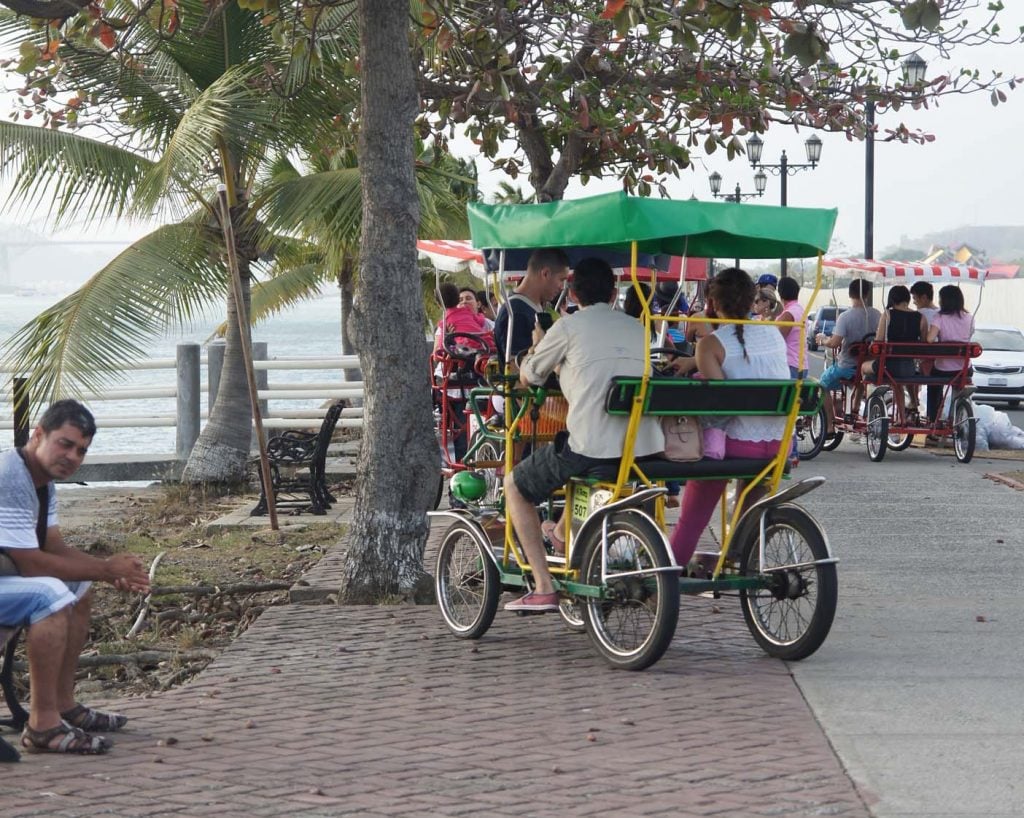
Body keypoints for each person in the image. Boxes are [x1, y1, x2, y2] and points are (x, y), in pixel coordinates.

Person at [502, 257, 664, 612]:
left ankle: (543, 585)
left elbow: (529, 376)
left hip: (594, 446)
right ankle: (562, 535)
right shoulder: (638, 328)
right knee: (581, 470)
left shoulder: (568, 327)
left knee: (514, 485)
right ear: (613, 292)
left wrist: (539, 344)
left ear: (572, 293)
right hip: (644, 446)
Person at [0, 400, 150, 755]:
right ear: (38, 435)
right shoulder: (9, 474)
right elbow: (33, 564)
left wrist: (107, 569)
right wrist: (105, 569)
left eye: (81, 450)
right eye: (64, 444)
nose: (72, 456)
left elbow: (53, 547)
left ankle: (64, 706)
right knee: (50, 594)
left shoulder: (43, 483)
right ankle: (42, 725)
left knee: (78, 588)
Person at [668, 268, 789, 568]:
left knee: (694, 511)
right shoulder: (773, 333)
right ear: (752, 300)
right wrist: (696, 362)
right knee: (751, 491)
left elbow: (719, 404)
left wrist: (695, 366)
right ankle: (736, 553)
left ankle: (669, 568)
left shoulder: (709, 344)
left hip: (734, 448)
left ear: (712, 302)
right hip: (777, 445)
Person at [816, 280, 881, 434]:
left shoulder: (845, 317)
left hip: (846, 367)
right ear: (867, 294)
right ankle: (854, 410)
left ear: (850, 294)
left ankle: (830, 425)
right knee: (859, 381)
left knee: (822, 386)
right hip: (867, 366)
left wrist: (823, 339)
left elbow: (834, 342)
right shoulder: (877, 314)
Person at [492, 248, 570, 366]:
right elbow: (515, 368)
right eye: (561, 280)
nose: (562, 287)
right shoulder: (516, 313)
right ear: (545, 274)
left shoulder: (536, 306)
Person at [860, 285, 928, 417]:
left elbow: (878, 341)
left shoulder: (887, 315)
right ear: (907, 298)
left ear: (891, 299)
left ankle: (866, 398)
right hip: (909, 368)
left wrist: (871, 347)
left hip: (887, 367)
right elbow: (924, 343)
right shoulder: (921, 317)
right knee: (900, 380)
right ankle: (907, 410)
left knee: (863, 366)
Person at [926, 285, 975, 426]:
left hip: (943, 369)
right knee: (957, 385)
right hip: (964, 369)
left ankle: (933, 420)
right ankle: (959, 416)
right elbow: (969, 335)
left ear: (944, 300)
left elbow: (930, 339)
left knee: (933, 385)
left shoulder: (939, 317)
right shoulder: (969, 318)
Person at [776, 277, 807, 378]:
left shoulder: (788, 314)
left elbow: (777, 339)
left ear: (780, 293)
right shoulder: (799, 310)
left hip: (790, 364)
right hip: (801, 364)